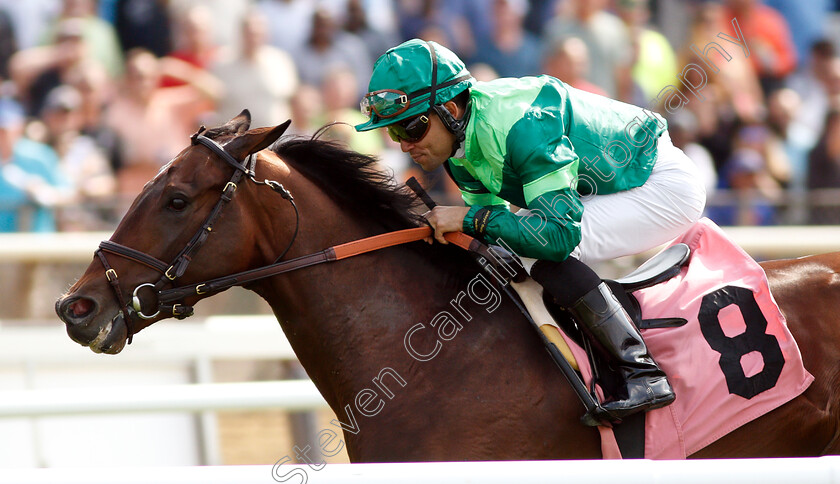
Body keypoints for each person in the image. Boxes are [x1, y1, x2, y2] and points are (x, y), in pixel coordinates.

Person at [355, 39, 706, 421]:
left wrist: (467, 220)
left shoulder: (523, 124)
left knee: (538, 247)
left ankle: (641, 371)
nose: (405, 144)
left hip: (659, 184)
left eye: (412, 127)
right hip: (611, 186)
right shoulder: (457, 148)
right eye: (393, 133)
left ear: (451, 109)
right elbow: (491, 237)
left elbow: (556, 237)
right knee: (510, 253)